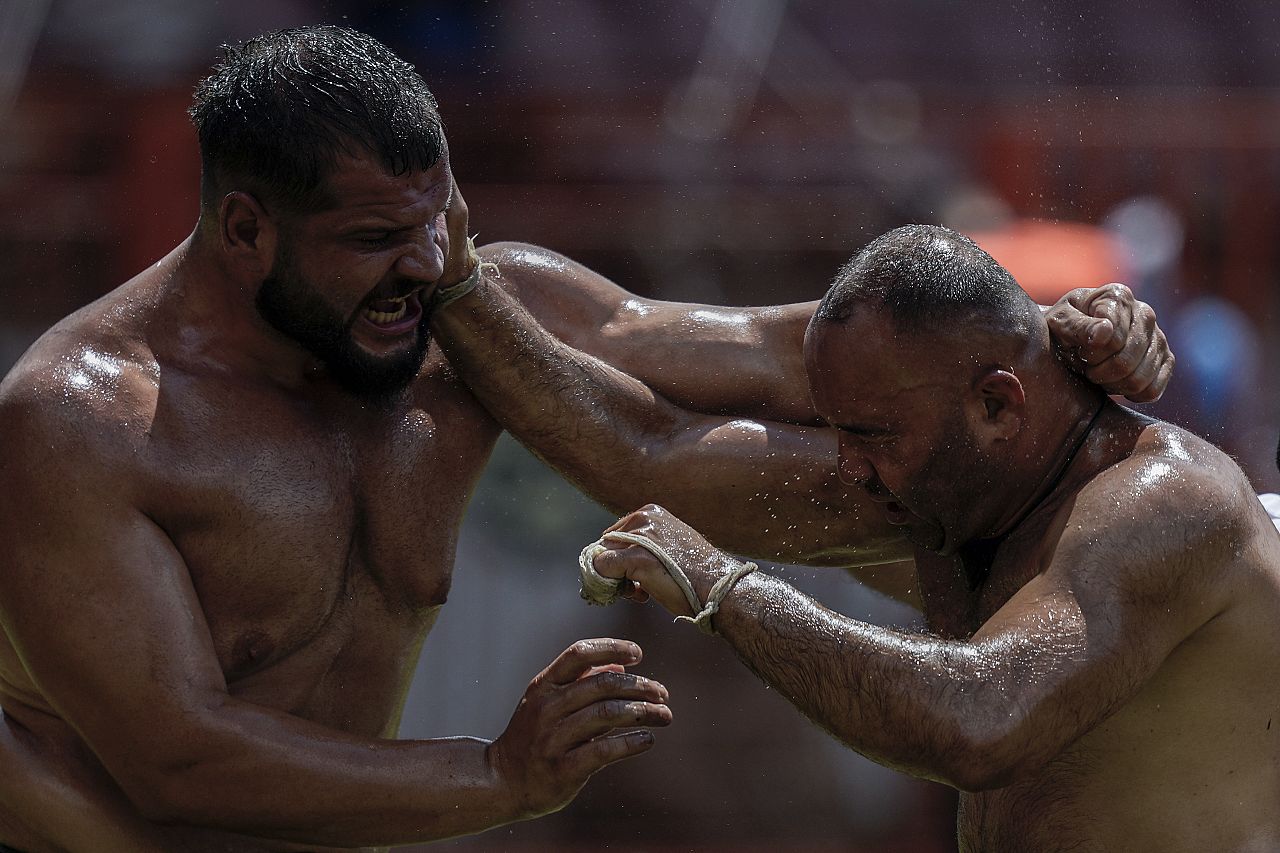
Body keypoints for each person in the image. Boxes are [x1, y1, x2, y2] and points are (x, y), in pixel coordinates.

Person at [0, 26, 1171, 852]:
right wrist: (498, 775)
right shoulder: (83, 420)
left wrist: (1045, 351)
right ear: (245, 229)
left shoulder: (456, 299)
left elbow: (783, 354)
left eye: (437, 223)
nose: (422, 267)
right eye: (371, 240)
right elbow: (178, 759)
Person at [525, 226, 1277, 851]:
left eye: (873, 435)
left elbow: (979, 721)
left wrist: (726, 589)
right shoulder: (966, 498)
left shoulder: (1171, 504)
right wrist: (468, 288)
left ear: (998, 405)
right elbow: (646, 445)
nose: (849, 466)